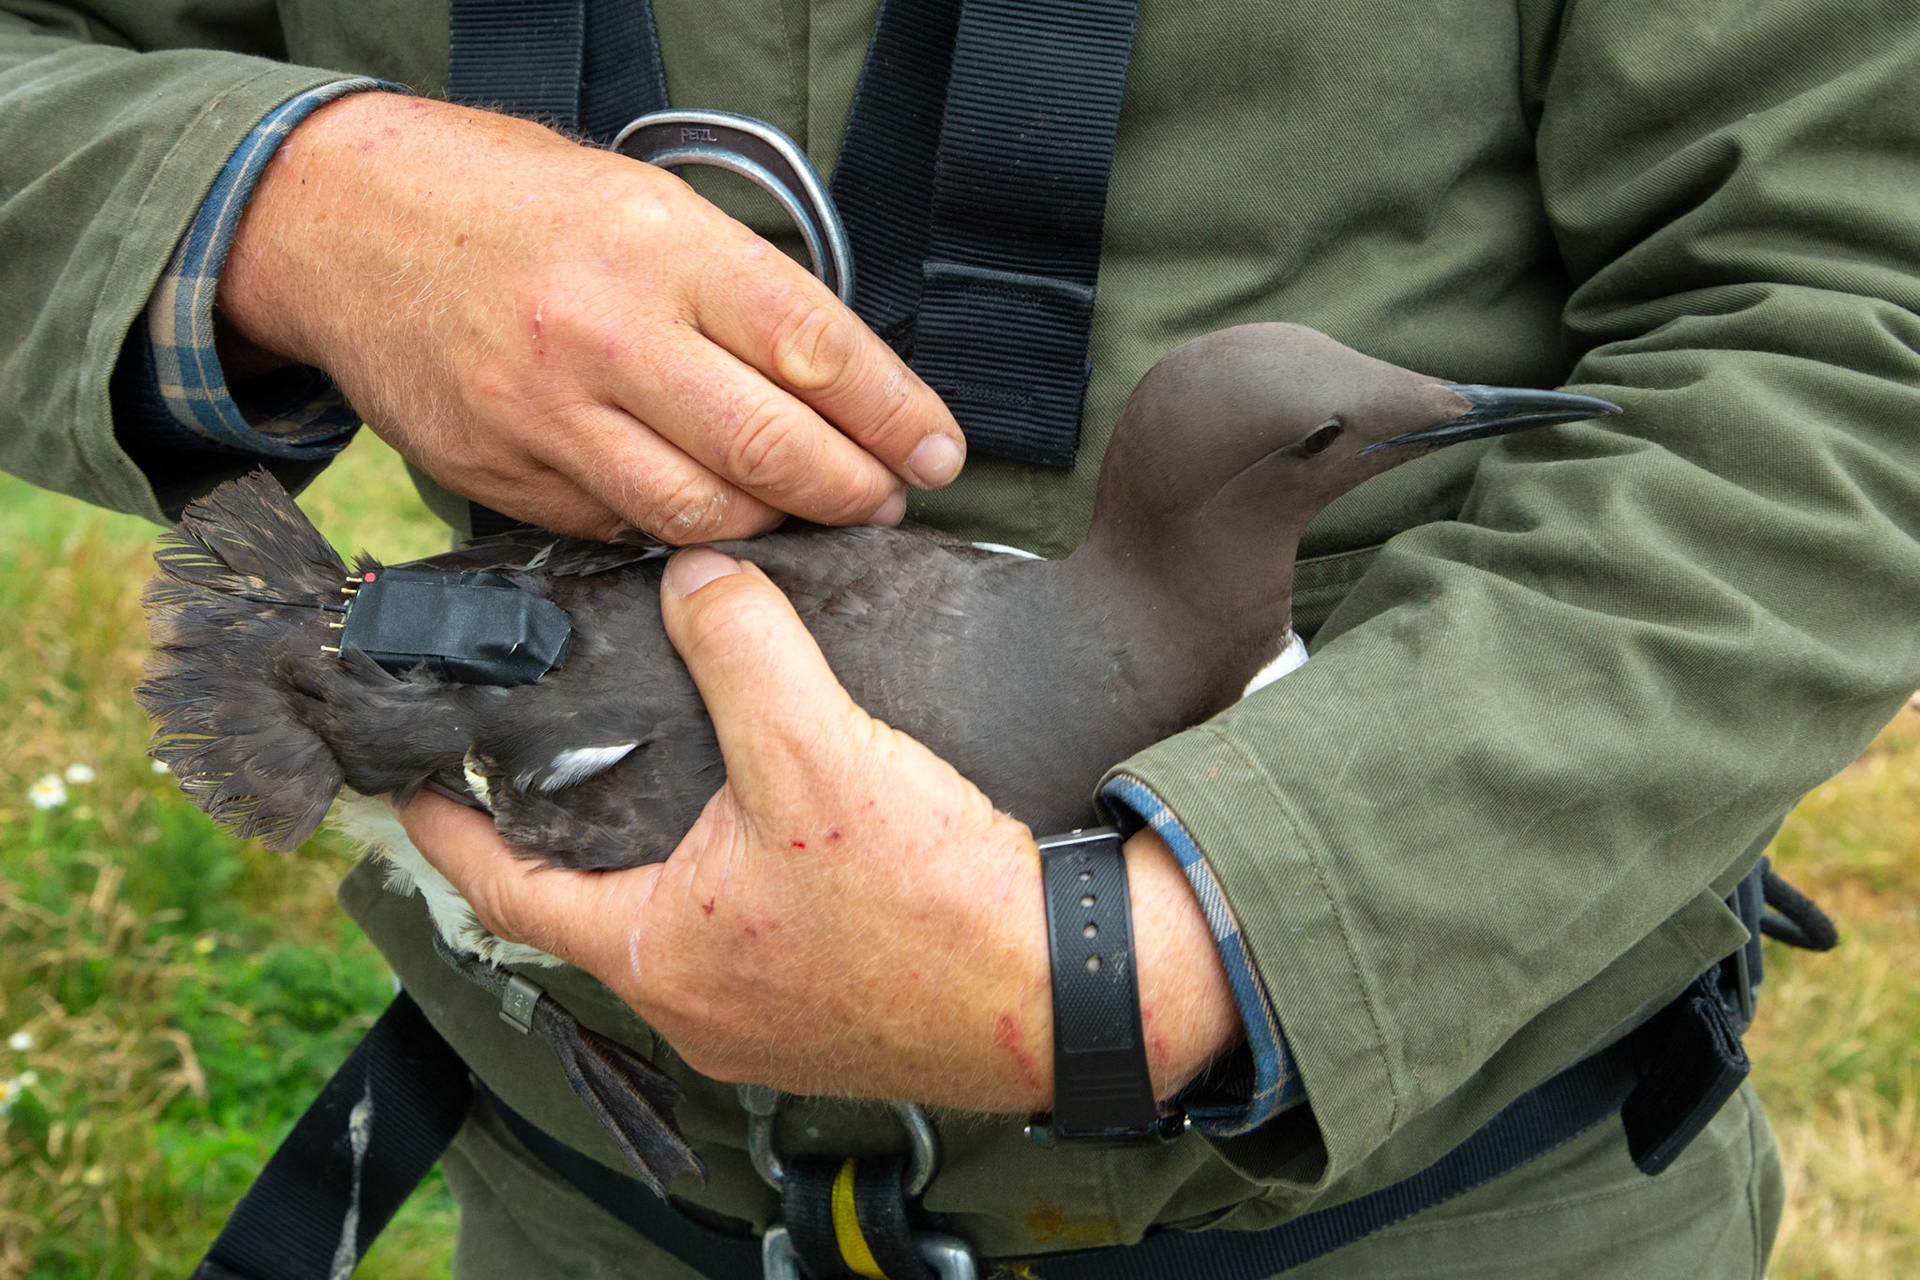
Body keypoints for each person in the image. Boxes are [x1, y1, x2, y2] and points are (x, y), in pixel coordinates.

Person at [6, 2, 1919, 1275]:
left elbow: (1857, 308)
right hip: (599, 1183)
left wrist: (1241, 923)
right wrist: (280, 200)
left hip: (1437, 1190)